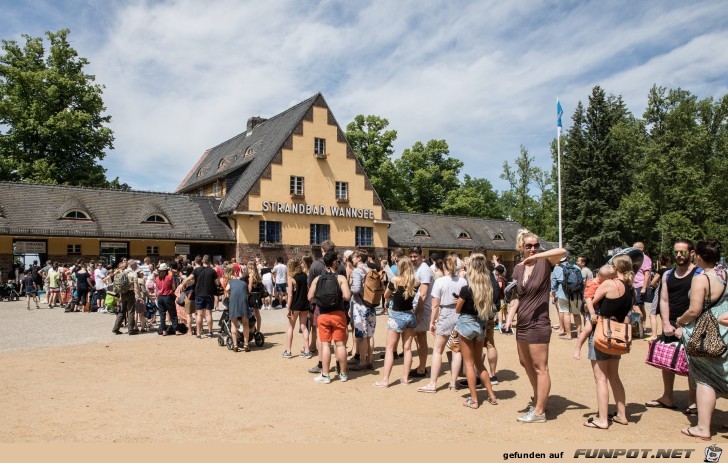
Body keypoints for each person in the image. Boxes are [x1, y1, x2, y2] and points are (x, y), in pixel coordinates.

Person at [503, 229, 566, 423]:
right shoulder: (518, 268)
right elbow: (516, 296)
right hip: (522, 321)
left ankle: (539, 412)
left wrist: (538, 256)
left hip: (539, 322)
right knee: (525, 362)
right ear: (520, 247)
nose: (532, 249)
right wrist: (508, 318)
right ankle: (538, 397)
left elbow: (562, 251)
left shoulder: (545, 262)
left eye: (536, 245)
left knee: (540, 367)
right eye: (528, 246)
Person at [675, 239, 727, 441]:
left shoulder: (701, 279)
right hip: (725, 328)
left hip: (706, 333)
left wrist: (680, 321)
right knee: (725, 373)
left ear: (697, 255)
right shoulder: (726, 275)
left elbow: (695, 310)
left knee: (705, 378)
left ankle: (703, 428)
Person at [645, 239, 702, 413]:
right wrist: (665, 322)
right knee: (666, 361)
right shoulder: (668, 274)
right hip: (670, 323)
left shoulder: (699, 274)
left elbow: (700, 305)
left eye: (682, 252)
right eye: (676, 252)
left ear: (691, 253)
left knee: (694, 362)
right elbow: (663, 299)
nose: (678, 255)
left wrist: (684, 325)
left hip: (692, 324)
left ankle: (693, 401)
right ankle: (667, 397)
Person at [582, 255, 633, 429]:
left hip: (601, 333)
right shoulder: (629, 287)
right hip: (617, 335)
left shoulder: (608, 284)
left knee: (600, 378)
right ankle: (621, 415)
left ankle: (602, 419)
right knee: (614, 377)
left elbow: (590, 302)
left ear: (615, 267)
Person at [455, 254, 498, 409]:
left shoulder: (466, 289)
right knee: (479, 363)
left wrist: (459, 301)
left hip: (466, 324)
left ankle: (473, 400)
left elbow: (457, 309)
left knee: (469, 363)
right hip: (481, 325)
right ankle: (491, 395)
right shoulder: (488, 289)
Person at [417, 254, 465, 393]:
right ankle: (453, 383)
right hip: (458, 314)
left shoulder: (440, 281)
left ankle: (433, 383)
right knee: (456, 350)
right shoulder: (463, 281)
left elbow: (435, 305)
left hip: (445, 313)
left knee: (438, 350)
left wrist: (432, 321)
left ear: (444, 266)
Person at [373, 257, 419, 388]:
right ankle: (405, 378)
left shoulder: (395, 281)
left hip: (396, 315)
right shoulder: (416, 282)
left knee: (390, 349)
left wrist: (394, 297)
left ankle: (386, 380)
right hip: (410, 315)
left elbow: (386, 295)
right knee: (407, 348)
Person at [308, 251, 352, 384]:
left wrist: (321, 298)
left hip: (323, 314)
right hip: (338, 314)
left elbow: (310, 297)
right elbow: (347, 296)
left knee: (325, 344)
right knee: (340, 345)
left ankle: (326, 375)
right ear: (334, 262)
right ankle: (343, 374)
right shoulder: (341, 279)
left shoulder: (317, 279)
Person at [573, 264, 617, 360]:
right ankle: (578, 347)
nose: (612, 280)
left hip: (599, 310)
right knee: (588, 329)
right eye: (610, 279)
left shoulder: (601, 283)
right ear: (603, 277)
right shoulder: (592, 284)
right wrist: (592, 313)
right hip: (593, 310)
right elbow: (588, 300)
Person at [306, 240, 336, 373]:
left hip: (321, 304)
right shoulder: (339, 264)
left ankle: (321, 364)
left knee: (321, 337)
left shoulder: (316, 265)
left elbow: (309, 285)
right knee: (339, 339)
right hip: (337, 304)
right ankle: (341, 366)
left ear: (323, 250)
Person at [350, 250, 377, 370]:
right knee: (370, 334)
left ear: (359, 258)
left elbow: (355, 289)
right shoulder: (371, 270)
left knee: (361, 336)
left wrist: (348, 287)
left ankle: (362, 362)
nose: (352, 260)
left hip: (360, 306)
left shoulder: (357, 271)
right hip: (371, 305)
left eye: (354, 257)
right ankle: (370, 360)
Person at [409, 246, 434, 378]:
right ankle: (421, 366)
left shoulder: (424, 270)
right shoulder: (417, 269)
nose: (413, 259)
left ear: (421, 256)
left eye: (415, 256)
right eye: (411, 256)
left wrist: (418, 312)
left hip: (422, 307)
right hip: (417, 306)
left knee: (421, 337)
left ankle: (422, 367)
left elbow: (423, 294)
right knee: (418, 338)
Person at [184, 255, 219, 339]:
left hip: (199, 294)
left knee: (199, 314)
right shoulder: (212, 271)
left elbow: (188, 279)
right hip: (209, 294)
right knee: (209, 314)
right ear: (210, 262)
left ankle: (199, 334)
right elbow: (217, 283)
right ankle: (210, 332)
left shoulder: (196, 270)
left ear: (202, 261)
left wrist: (182, 285)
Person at [283, 258, 310, 358]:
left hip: (295, 305)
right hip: (304, 304)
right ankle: (307, 350)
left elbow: (290, 295)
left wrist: (288, 308)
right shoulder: (304, 276)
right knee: (304, 326)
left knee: (290, 327)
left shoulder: (291, 278)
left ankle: (288, 351)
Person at [551, 255, 583, 339]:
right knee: (576, 314)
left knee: (566, 313)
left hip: (562, 293)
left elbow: (553, 284)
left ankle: (569, 335)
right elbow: (581, 280)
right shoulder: (576, 267)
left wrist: (553, 295)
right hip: (576, 293)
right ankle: (579, 334)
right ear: (567, 259)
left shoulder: (556, 268)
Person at [225, 264, 250, 352]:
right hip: (243, 302)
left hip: (234, 302)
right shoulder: (244, 283)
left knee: (234, 324)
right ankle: (246, 344)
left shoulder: (230, 282)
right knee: (245, 323)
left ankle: (235, 345)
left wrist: (229, 293)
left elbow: (227, 289)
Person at [647, 254, 671, 342]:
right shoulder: (671, 270)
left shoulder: (661, 271)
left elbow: (652, 283)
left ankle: (654, 335)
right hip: (668, 294)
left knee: (652, 314)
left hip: (659, 293)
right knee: (663, 314)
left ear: (660, 262)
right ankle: (664, 333)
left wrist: (657, 286)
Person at [632, 242, 652, 338]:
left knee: (635, 306)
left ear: (641, 248)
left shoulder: (645, 259)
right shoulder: (636, 258)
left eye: (635, 248)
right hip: (635, 285)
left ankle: (638, 327)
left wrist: (644, 288)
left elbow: (647, 274)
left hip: (639, 286)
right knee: (641, 306)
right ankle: (642, 326)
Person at [155, 263, 177, 336]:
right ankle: (176, 330)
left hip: (160, 297)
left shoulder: (157, 278)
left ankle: (163, 330)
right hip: (168, 296)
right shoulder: (169, 278)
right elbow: (173, 288)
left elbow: (157, 288)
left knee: (162, 315)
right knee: (173, 314)